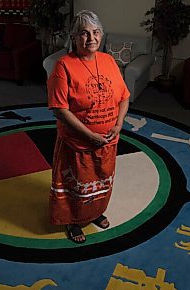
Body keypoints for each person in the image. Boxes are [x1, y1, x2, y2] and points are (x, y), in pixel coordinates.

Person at [47, 10, 130, 244]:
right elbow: (59, 109)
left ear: (101, 35)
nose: (91, 38)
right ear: (74, 37)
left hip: (108, 140)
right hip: (78, 142)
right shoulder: (63, 66)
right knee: (78, 185)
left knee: (101, 180)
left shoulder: (108, 61)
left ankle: (94, 213)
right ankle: (73, 220)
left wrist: (119, 124)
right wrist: (90, 135)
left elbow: (124, 96)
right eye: (84, 33)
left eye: (95, 32)